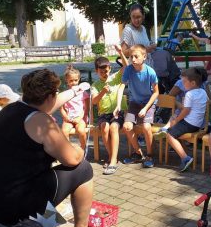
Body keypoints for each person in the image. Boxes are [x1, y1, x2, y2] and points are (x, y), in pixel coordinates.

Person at [0, 69, 93, 227]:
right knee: (84, 169)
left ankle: (47, 223)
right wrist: (77, 149)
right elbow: (72, 159)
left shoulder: (10, 109)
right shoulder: (41, 121)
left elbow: (50, 103)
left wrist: (75, 91)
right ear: (50, 96)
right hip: (6, 208)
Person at [113, 44, 159, 168]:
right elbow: (121, 87)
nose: (133, 59)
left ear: (144, 57)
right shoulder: (128, 70)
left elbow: (156, 93)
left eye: (136, 56)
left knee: (146, 127)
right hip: (134, 103)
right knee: (127, 127)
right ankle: (138, 153)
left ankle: (150, 155)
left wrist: (145, 108)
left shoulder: (150, 72)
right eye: (131, 57)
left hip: (148, 103)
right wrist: (118, 105)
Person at [90, 44, 129, 175]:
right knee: (104, 127)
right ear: (96, 71)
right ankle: (112, 156)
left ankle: (112, 161)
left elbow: (127, 67)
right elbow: (94, 101)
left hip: (118, 113)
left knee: (113, 127)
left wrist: (121, 52)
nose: (104, 74)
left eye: (106, 71)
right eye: (101, 72)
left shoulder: (115, 77)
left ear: (110, 69)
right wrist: (102, 92)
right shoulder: (95, 85)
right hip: (104, 114)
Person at [164, 68, 208, 172]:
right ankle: (185, 154)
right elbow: (207, 102)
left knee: (169, 135)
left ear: (193, 83)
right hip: (198, 124)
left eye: (184, 82)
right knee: (173, 127)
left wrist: (176, 120)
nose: (182, 84)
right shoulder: (203, 91)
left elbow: (186, 111)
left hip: (190, 123)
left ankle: (185, 158)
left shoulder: (189, 94)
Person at [156, 67, 211, 131]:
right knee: (176, 118)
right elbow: (170, 97)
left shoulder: (204, 83)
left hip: (196, 114)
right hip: (182, 110)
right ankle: (166, 129)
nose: (201, 84)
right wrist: (178, 104)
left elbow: (209, 100)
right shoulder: (181, 83)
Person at [60, 65, 90, 150]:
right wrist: (65, 117)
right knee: (64, 131)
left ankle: (83, 149)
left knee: (81, 130)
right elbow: (61, 108)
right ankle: (69, 150)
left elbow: (86, 108)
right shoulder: (65, 94)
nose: (73, 82)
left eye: (75, 80)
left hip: (80, 118)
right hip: (68, 118)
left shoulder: (83, 93)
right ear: (66, 80)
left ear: (79, 79)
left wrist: (80, 117)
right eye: (71, 80)